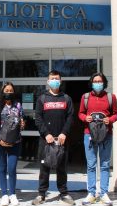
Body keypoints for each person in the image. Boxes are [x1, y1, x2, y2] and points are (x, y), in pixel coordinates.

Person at [32, 70, 74, 205]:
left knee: (62, 168)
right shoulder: (41, 98)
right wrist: (46, 134)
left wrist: (64, 133)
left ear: (60, 81)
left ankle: (64, 193)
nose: (54, 80)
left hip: (62, 139)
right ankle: (41, 194)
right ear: (48, 81)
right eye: (52, 78)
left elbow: (70, 117)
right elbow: (38, 118)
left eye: (57, 78)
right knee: (44, 168)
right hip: (46, 140)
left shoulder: (66, 98)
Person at [78, 72, 117, 205]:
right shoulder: (86, 97)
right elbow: (80, 113)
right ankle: (91, 193)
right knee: (91, 164)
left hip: (106, 134)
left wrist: (110, 119)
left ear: (104, 82)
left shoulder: (111, 97)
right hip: (89, 134)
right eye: (95, 81)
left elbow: (116, 114)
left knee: (105, 164)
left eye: (100, 81)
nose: (98, 83)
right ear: (91, 82)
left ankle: (104, 193)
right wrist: (85, 118)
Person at [0, 82, 25, 206]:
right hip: (0, 143)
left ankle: (13, 194)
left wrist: (22, 124)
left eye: (11, 91)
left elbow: (21, 122)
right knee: (2, 168)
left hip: (15, 142)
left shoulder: (18, 105)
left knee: (12, 168)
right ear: (2, 91)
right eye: (6, 90)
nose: (8, 93)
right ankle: (4, 194)